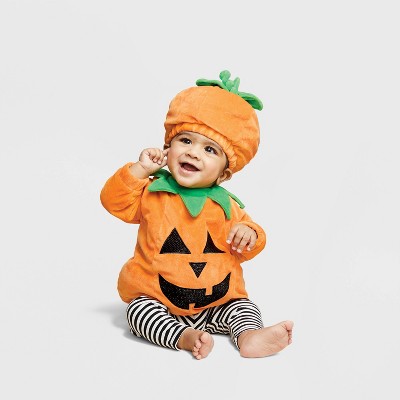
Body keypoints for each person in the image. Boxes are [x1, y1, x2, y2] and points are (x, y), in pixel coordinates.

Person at [100, 70, 293, 359]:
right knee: (138, 312)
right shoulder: (153, 192)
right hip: (157, 299)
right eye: (186, 141)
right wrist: (139, 170)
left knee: (243, 306)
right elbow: (113, 201)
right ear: (168, 146)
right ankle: (184, 337)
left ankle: (249, 336)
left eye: (210, 149)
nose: (193, 153)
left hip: (216, 303)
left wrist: (249, 234)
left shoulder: (227, 206)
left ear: (225, 173)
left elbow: (251, 241)